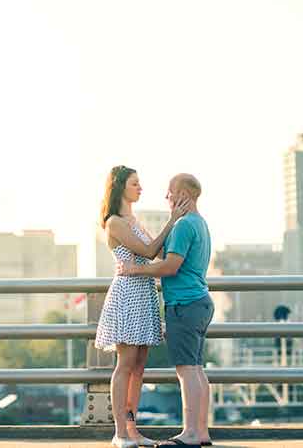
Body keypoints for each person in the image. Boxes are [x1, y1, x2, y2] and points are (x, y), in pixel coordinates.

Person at [94, 165, 191, 448]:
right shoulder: (115, 222)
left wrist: (182, 226)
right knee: (125, 364)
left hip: (145, 291)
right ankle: (120, 432)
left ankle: (133, 429)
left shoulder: (134, 220)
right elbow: (149, 252)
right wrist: (173, 219)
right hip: (127, 294)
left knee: (139, 366)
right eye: (135, 183)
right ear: (120, 186)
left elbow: (158, 252)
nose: (140, 187)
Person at [118, 174, 213, 447]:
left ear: (183, 195)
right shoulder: (200, 223)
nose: (166, 198)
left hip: (184, 304)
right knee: (196, 369)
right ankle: (201, 432)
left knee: (186, 370)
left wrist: (134, 269)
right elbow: (169, 258)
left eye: (170, 193)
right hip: (200, 302)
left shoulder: (183, 226)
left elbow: (170, 267)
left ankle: (190, 434)